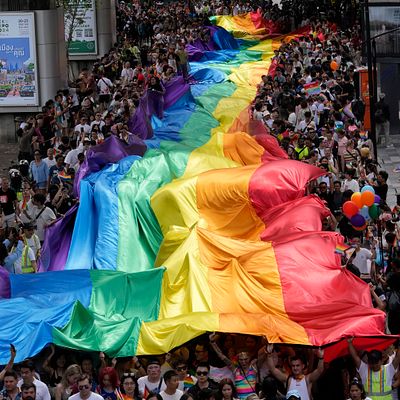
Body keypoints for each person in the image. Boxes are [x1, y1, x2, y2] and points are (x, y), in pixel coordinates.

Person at [210, 334, 257, 400]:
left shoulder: (254, 367)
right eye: (241, 360)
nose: (243, 362)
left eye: (245, 359)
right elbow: (222, 356)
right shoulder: (235, 370)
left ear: (249, 358)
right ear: (238, 360)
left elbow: (263, 353)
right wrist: (213, 343)